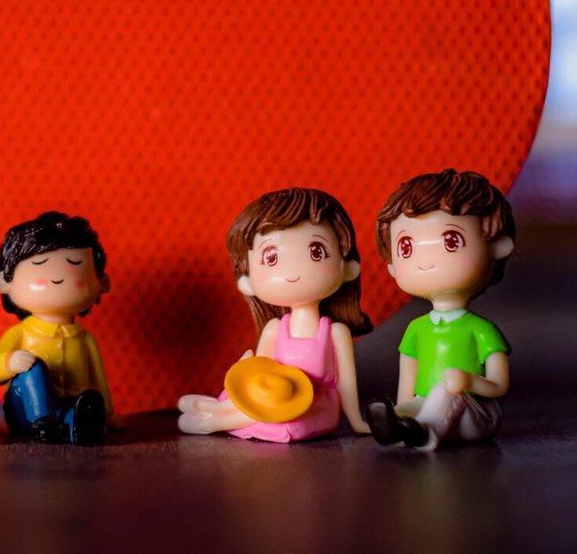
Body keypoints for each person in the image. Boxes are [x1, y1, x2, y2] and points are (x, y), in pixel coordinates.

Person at [177, 187, 373, 442]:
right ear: (247, 281)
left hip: (317, 404)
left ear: (347, 267)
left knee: (286, 422)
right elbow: (261, 376)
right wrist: (247, 369)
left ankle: (214, 419)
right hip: (274, 396)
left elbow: (346, 384)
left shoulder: (336, 332)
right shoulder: (274, 329)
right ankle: (217, 412)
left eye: (316, 251)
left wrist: (357, 421)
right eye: (271, 258)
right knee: (261, 406)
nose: (293, 270)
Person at [366, 169, 516, 451]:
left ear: (497, 247)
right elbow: (407, 382)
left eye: (451, 241)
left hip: (475, 415)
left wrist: (468, 381)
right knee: (413, 406)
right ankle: (400, 426)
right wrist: (402, 408)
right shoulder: (416, 329)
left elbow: (499, 384)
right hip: (426, 406)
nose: (426, 260)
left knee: (448, 393)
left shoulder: (481, 330)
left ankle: (425, 433)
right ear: (392, 266)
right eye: (406, 247)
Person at [0, 211, 113, 445]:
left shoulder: (84, 339)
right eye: (40, 264)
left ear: (101, 282)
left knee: (85, 404)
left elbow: (98, 379)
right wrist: (11, 362)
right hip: (24, 411)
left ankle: (78, 424)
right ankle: (42, 421)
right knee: (33, 367)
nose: (57, 278)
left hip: (66, 405)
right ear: (6, 282)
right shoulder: (20, 333)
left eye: (74, 264)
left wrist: (109, 414)